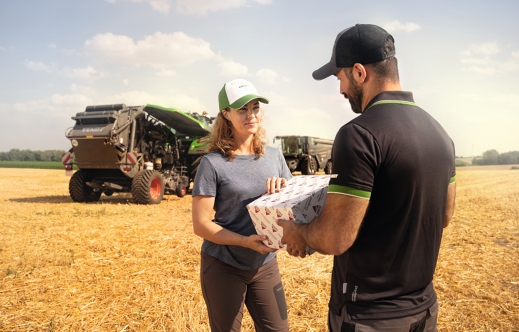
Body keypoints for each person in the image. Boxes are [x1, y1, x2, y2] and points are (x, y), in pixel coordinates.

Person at [277, 24, 456, 332]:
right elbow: (444, 216)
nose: (341, 90)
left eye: (340, 78)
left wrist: (298, 232)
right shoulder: (440, 133)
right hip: (424, 310)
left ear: (359, 72)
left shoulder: (358, 135)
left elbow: (336, 237)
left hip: (370, 317)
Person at [192, 78, 291, 332]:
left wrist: (283, 191)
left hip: (265, 264)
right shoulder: (213, 164)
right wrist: (245, 241)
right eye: (242, 109)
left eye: (255, 107)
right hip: (224, 264)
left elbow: (295, 208)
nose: (251, 115)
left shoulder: (275, 157)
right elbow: (201, 225)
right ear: (225, 114)